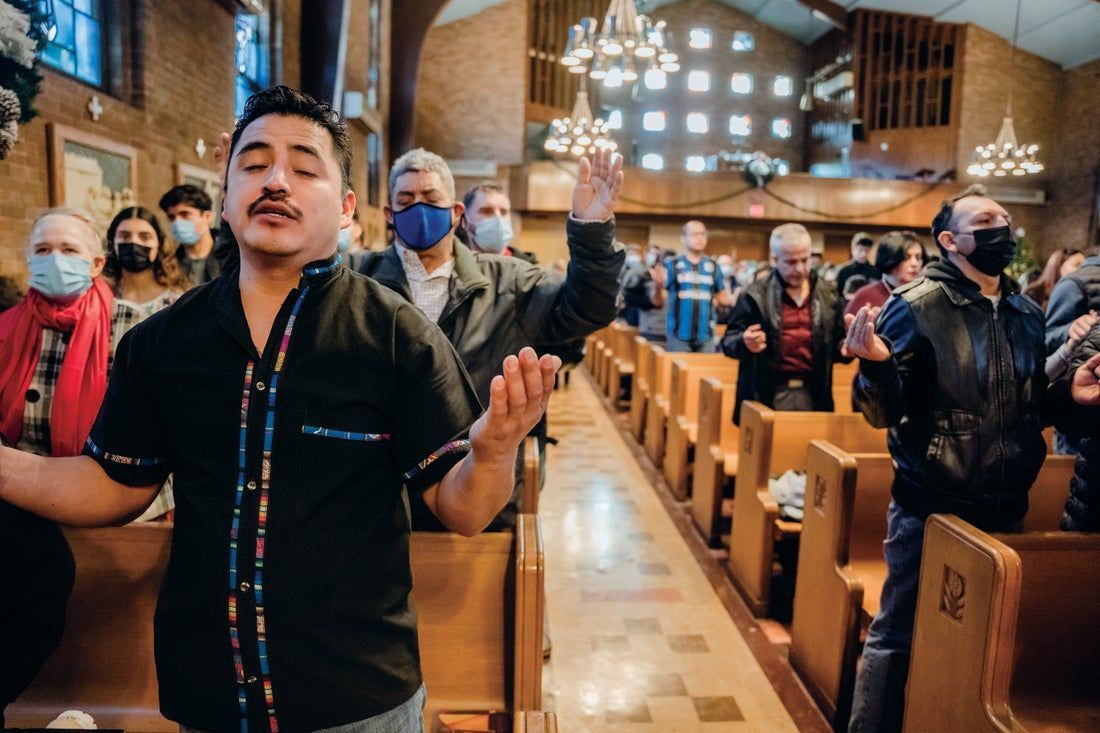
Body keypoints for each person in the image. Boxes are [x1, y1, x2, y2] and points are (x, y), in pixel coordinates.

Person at [0, 86, 560, 733]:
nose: (276, 180)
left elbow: (463, 507)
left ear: (346, 207)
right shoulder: (161, 342)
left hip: (358, 694)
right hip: (209, 687)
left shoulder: (397, 336)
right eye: (255, 162)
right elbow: (113, 482)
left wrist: (493, 450)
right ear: (226, 193)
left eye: (304, 166)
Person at [843, 185, 1048, 732]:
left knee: (982, 644)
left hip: (1006, 508)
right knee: (897, 635)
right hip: (931, 509)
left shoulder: (1026, 313)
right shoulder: (914, 307)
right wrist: (877, 367)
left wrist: (1073, 385)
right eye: (986, 220)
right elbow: (880, 414)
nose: (1001, 228)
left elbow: (1031, 407)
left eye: (1005, 218)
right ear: (950, 240)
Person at [356, 146, 623, 530]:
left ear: (456, 214)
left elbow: (587, 309)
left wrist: (592, 233)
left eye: (431, 199)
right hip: (378, 497)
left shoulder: (510, 281)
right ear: (389, 214)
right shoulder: (358, 278)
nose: (418, 208)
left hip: (475, 486)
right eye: (406, 200)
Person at [0, 208, 145, 724]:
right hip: (24, 504)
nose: (54, 261)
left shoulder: (135, 326)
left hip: (115, 497)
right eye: (42, 251)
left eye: (68, 251)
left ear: (97, 262)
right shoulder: (6, 329)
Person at [721, 223, 847, 423]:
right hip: (768, 393)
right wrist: (744, 343)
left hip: (813, 393)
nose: (799, 268)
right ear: (774, 259)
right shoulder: (754, 295)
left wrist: (847, 348)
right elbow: (728, 343)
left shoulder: (828, 294)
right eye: (790, 262)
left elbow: (837, 346)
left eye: (805, 260)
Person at [104, 206, 190, 315]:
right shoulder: (102, 295)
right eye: (125, 236)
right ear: (112, 243)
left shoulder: (177, 301)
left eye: (145, 237)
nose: (134, 242)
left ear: (159, 245)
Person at [664, 220, 732, 352]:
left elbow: (722, 296)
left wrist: (733, 298)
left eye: (702, 234)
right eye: (694, 234)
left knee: (706, 372)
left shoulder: (714, 266)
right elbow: (660, 298)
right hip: (678, 335)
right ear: (683, 238)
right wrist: (657, 284)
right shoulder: (672, 264)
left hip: (706, 335)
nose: (699, 238)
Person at [158, 184, 230, 285]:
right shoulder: (168, 266)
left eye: (185, 214)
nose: (177, 222)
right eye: (172, 217)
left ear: (207, 217)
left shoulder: (232, 257)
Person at [844, 231, 926, 316]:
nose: (914, 263)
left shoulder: (925, 295)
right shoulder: (865, 295)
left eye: (918, 257)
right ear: (890, 259)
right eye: (906, 257)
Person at [460, 181, 539, 265]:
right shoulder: (452, 268)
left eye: (503, 212)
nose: (498, 219)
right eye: (487, 211)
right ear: (464, 221)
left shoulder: (529, 271)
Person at [621, 244, 669, 343]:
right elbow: (629, 295)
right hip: (648, 326)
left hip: (669, 329)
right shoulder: (643, 274)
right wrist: (649, 303)